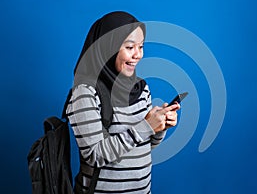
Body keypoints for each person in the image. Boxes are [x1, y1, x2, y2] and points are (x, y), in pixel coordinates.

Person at [66, 11, 180, 193]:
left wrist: (160, 127)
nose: (138, 55)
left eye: (141, 47)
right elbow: (95, 155)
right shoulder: (85, 92)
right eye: (129, 47)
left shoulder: (140, 88)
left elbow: (143, 145)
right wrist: (147, 126)